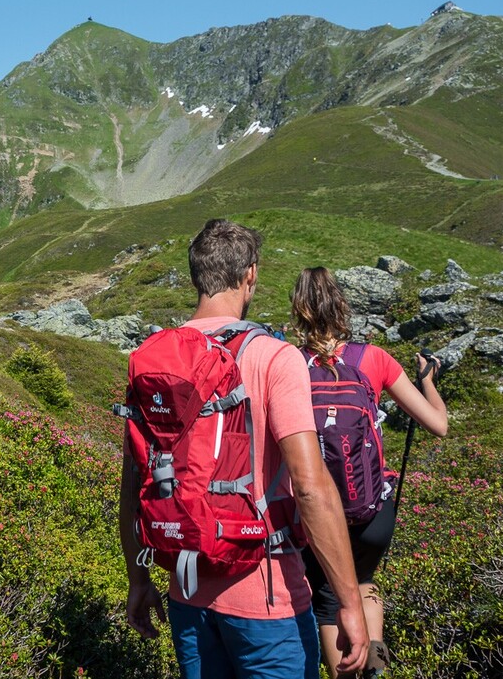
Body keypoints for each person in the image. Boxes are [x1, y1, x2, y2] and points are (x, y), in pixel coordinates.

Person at [119, 220, 369, 679]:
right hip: (267, 598)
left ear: (197, 275)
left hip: (185, 592)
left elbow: (134, 481)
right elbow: (311, 488)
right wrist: (350, 603)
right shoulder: (275, 357)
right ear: (250, 274)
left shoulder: (155, 359)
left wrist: (139, 579)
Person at [289, 267, 449, 679]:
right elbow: (438, 424)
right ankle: (375, 662)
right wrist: (428, 381)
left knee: (329, 598)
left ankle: (347, 673)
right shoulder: (372, 358)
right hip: (373, 513)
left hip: (314, 516)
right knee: (362, 581)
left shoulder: (288, 363)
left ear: (299, 310)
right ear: (341, 305)